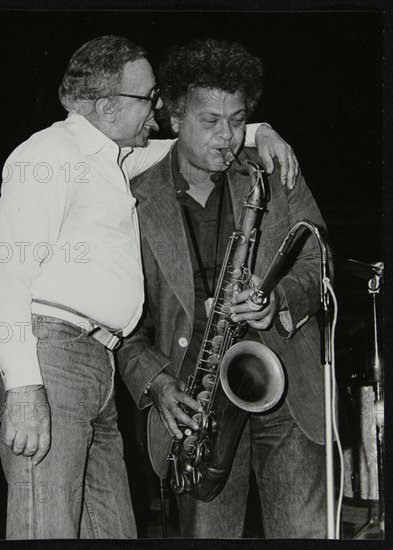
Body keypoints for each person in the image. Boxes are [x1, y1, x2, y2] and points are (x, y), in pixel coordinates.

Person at [0, 35, 297, 539]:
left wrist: (261, 130)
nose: (159, 110)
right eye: (149, 98)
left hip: (94, 363)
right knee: (46, 527)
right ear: (107, 106)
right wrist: (22, 387)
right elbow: (4, 272)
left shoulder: (114, 158)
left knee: (113, 533)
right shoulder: (48, 154)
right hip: (52, 357)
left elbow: (190, 141)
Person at [118, 38, 331, 538]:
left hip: (284, 383)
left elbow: (317, 255)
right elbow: (119, 321)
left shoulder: (272, 171)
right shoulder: (131, 199)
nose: (228, 137)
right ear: (172, 119)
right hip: (195, 404)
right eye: (210, 122)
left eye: (238, 120)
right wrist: (155, 382)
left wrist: (279, 298)